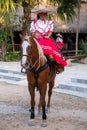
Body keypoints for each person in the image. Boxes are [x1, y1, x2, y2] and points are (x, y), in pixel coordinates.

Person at [30, 7, 67, 73]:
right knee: (30, 47)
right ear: (39, 14)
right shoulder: (34, 23)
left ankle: (55, 64)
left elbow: (50, 31)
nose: (44, 15)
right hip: (38, 39)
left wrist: (48, 36)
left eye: (45, 14)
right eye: (42, 14)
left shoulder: (49, 23)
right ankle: (28, 65)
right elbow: (33, 33)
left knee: (53, 46)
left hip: (46, 38)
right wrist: (36, 35)